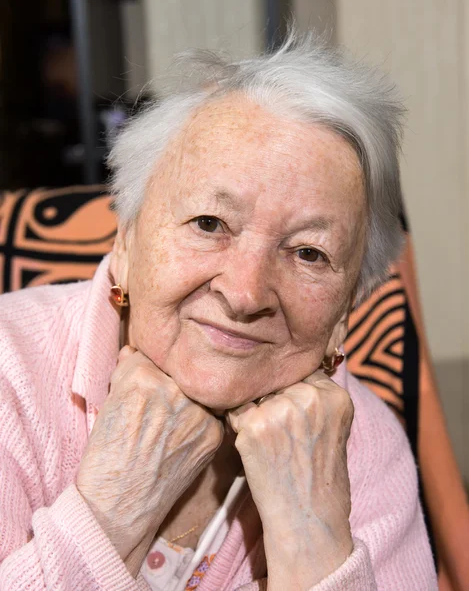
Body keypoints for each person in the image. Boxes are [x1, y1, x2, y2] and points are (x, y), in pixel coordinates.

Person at [0, 32, 437, 590]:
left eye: (309, 252)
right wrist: (114, 508)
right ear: (126, 244)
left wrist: (314, 538)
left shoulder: (368, 445)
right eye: (209, 224)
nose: (246, 293)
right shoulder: (9, 372)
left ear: (347, 306)